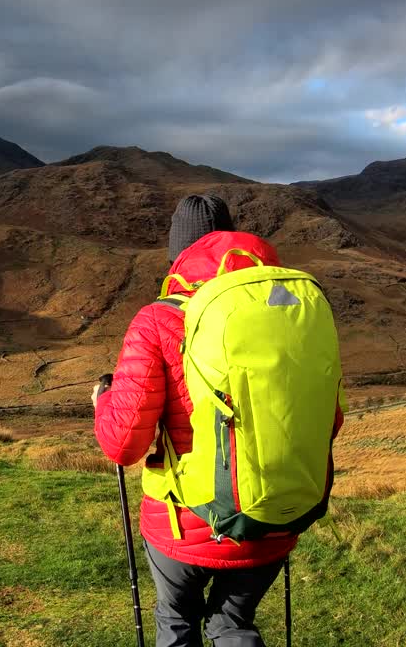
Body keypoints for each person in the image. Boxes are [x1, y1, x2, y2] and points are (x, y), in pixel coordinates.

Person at [93, 194, 343, 647]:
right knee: (233, 624)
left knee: (177, 620)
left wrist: (105, 398)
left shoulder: (158, 320)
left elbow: (123, 444)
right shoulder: (290, 312)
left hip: (181, 523)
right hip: (272, 516)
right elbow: (331, 417)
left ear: (176, 257)